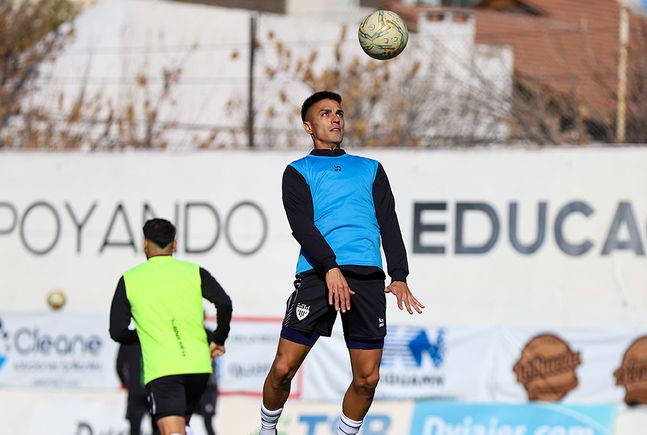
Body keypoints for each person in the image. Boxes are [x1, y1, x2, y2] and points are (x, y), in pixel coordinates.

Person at [258, 91, 425, 435]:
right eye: (325, 113)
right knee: (283, 368)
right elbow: (302, 227)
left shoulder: (370, 168)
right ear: (308, 127)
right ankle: (267, 428)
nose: (336, 118)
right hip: (319, 274)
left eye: (339, 113)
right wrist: (330, 266)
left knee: (368, 379)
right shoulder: (298, 171)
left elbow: (389, 222)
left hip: (366, 277)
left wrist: (399, 274)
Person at [110, 218, 233, 435]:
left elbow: (117, 331)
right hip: (198, 367)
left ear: (145, 243)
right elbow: (224, 303)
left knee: (172, 431)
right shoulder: (194, 272)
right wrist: (218, 339)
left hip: (163, 369)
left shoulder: (130, 279)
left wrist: (145, 334)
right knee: (181, 427)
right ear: (174, 244)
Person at [116, 342, 160, 435]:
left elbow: (119, 366)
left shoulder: (127, 340)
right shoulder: (154, 337)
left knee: (135, 429)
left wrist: (128, 384)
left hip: (136, 390)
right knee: (157, 427)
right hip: (154, 389)